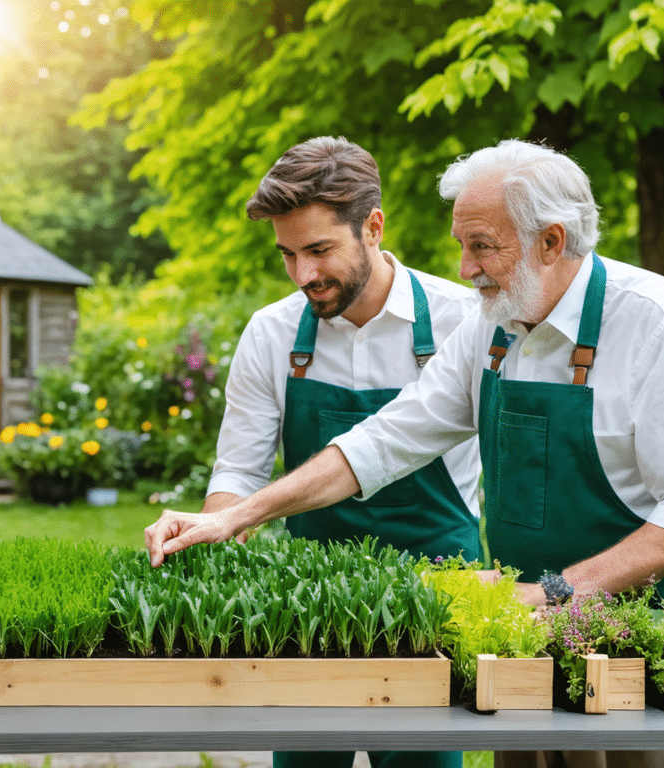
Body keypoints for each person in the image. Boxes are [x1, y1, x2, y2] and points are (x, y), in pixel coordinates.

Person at [145, 140, 664, 768]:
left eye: (481, 245)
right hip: (521, 634)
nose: (463, 267)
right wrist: (235, 516)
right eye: (463, 244)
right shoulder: (497, 325)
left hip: (635, 633)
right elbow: (384, 439)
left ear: (551, 241)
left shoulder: (658, 325)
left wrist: (557, 592)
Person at [206, 136, 481, 768]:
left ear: (373, 227)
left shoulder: (465, 322)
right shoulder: (273, 334)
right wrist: (220, 525)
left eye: (320, 250)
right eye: (288, 255)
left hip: (433, 597)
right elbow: (237, 472)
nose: (303, 274)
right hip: (309, 606)